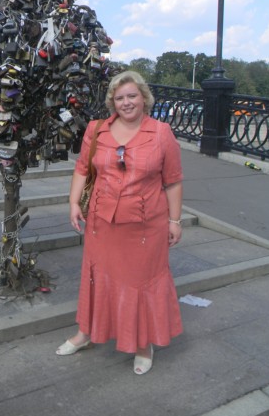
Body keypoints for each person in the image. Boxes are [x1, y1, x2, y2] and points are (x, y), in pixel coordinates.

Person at [56, 70, 184, 375]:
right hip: (102, 223)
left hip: (145, 227)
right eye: (119, 97)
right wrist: (73, 203)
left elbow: (173, 181)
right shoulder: (96, 129)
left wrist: (175, 220)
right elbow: (82, 169)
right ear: (112, 101)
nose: (126, 102)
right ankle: (86, 333)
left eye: (132, 96)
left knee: (141, 283)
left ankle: (143, 343)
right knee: (96, 278)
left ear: (144, 98)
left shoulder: (161, 132)